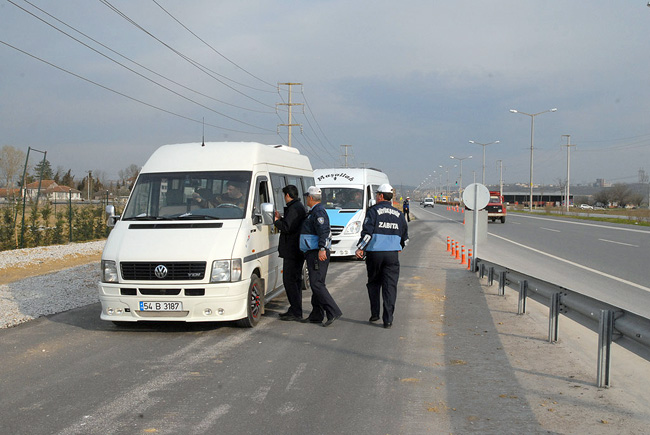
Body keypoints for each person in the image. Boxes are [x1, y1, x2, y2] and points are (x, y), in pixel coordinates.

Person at [355, 184, 408, 329]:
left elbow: (367, 233)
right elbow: (405, 238)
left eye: (378, 194)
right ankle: (388, 319)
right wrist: (398, 248)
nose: (377, 196)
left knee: (373, 283)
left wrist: (360, 248)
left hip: (375, 254)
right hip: (392, 256)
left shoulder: (373, 212)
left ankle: (375, 313)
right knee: (390, 287)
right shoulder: (399, 214)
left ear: (381, 196)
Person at [299, 186, 342, 327]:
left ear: (310, 198)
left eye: (307, 197)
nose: (306, 199)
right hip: (313, 251)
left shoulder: (318, 212)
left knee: (317, 284)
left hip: (317, 252)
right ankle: (316, 314)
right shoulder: (314, 211)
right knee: (316, 283)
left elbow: (323, 231)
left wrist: (322, 249)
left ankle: (333, 311)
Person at [273, 185, 307, 322]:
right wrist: (281, 218)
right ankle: (294, 309)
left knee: (290, 281)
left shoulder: (294, 208)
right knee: (295, 281)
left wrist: (276, 222)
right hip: (296, 250)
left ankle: (296, 311)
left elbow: (287, 227)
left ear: (287, 195)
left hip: (293, 251)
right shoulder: (298, 206)